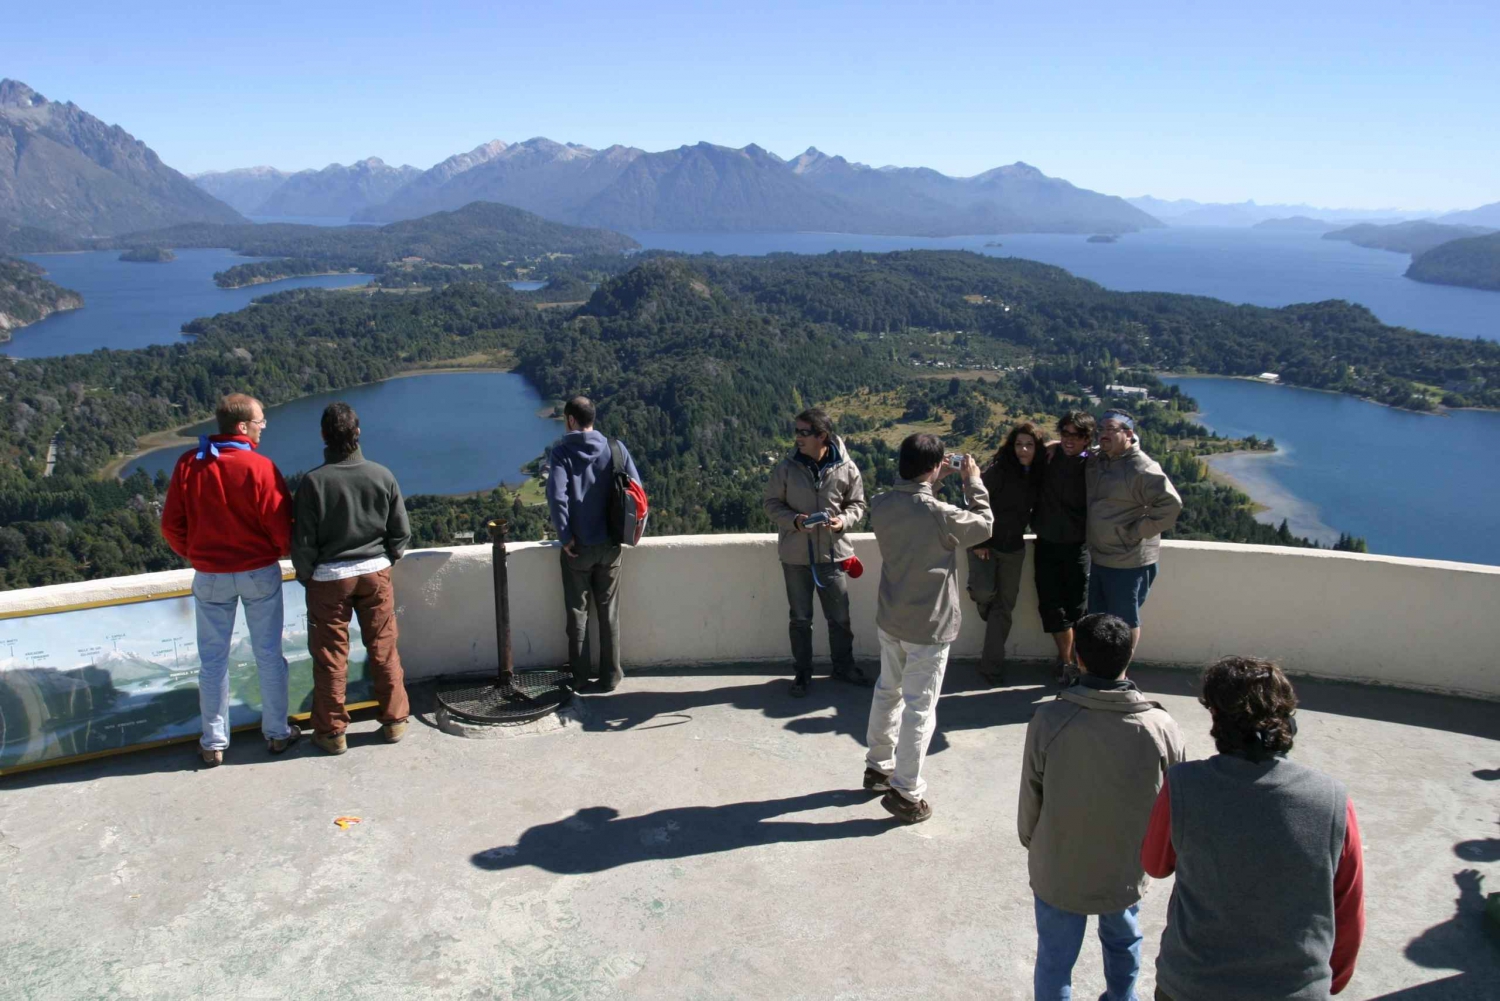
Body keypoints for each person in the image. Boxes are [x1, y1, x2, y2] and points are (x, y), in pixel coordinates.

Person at [1143, 657, 1366, 1000]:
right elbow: (1347, 906)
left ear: (1215, 718)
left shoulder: (1183, 784)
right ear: (1289, 720)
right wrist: (1326, 981)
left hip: (1191, 985)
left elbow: (1155, 865)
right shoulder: (1333, 799)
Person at [1018, 613, 1185, 1001]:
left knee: (1055, 959)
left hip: (1059, 866)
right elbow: (1174, 805)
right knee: (1124, 943)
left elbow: (1031, 793)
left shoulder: (1050, 718)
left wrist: (1034, 843)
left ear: (1077, 658)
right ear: (1129, 655)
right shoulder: (1161, 727)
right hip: (1126, 867)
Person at [160, 393, 299, 767]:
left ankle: (214, 742)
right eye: (260, 421)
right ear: (242, 427)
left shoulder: (190, 464)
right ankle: (277, 733)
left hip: (210, 576)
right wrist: (278, 550)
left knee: (213, 661)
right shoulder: (259, 467)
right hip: (257, 572)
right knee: (269, 655)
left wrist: (195, 553)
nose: (263, 427)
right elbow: (280, 526)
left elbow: (171, 524)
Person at [864, 434, 993, 824]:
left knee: (888, 690)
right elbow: (985, 526)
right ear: (935, 467)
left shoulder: (881, 504)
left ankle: (877, 766)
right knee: (920, 707)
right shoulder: (940, 513)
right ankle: (906, 791)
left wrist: (930, 481)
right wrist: (973, 481)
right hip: (929, 624)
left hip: (891, 615)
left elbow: (914, 501)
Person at [291, 403, 411, 755]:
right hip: (374, 573)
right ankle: (394, 721)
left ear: (323, 436)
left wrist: (307, 576)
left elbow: (303, 543)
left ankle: (331, 732)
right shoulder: (381, 474)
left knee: (331, 656)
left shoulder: (313, 482)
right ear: (357, 433)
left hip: (329, 579)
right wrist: (385, 559)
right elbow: (400, 532)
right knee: (383, 645)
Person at [763, 407, 868, 697]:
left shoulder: (846, 467)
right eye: (796, 431)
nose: (797, 437)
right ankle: (802, 672)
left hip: (833, 555)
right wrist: (795, 521)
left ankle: (844, 667)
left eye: (803, 432)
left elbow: (858, 505)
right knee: (800, 619)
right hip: (796, 556)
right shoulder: (785, 467)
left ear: (822, 436)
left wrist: (841, 522)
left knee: (840, 619)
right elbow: (771, 504)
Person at [547, 395, 641, 692]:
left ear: (571, 420)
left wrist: (565, 537)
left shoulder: (562, 452)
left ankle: (579, 677)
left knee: (578, 612)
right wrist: (630, 534)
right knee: (608, 612)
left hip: (578, 547)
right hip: (611, 546)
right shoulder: (616, 448)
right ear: (593, 418)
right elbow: (636, 492)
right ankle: (610, 676)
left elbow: (557, 496)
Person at [1085, 410, 1182, 652]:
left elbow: (1171, 506)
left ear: (1128, 433)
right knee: (1098, 621)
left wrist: (1135, 532)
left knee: (1124, 623)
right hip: (1101, 557)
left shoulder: (1141, 468)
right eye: (1101, 430)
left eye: (1111, 429)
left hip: (1128, 562)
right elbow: (1081, 451)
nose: (1103, 434)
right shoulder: (1101, 459)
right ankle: (1101, 671)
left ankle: (1120, 673)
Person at [968, 421, 1041, 685]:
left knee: (1004, 609)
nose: (1023, 449)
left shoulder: (1036, 474)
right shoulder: (998, 472)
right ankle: (985, 606)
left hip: (1014, 548)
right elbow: (974, 501)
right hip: (983, 544)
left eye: (1029, 444)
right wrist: (978, 541)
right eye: (1019, 443)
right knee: (983, 593)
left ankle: (991, 667)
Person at [1033, 411, 1094, 684]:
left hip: (1077, 546)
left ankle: (1070, 663)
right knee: (1051, 607)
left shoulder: (1094, 464)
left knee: (1076, 609)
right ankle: (1068, 662)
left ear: (1087, 439)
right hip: (1046, 543)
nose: (1069, 440)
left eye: (1077, 435)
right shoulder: (1050, 456)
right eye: (1065, 433)